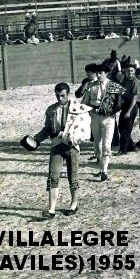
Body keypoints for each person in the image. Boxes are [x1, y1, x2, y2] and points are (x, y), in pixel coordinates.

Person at [28, 83, 92, 219]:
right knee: (53, 176)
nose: (60, 98)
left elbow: (85, 130)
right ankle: (51, 209)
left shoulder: (78, 109)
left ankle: (74, 203)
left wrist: (75, 138)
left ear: (68, 94)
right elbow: (47, 129)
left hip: (72, 146)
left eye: (62, 95)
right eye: (57, 96)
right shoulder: (51, 110)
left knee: (73, 177)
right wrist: (36, 140)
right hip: (56, 145)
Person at [81, 64, 126, 181]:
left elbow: (120, 102)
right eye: (97, 73)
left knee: (106, 144)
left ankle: (104, 171)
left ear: (106, 73)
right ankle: (102, 168)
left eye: (101, 73)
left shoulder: (113, 86)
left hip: (108, 118)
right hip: (95, 117)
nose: (99, 75)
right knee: (97, 143)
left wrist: (112, 111)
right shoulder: (91, 86)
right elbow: (84, 102)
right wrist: (89, 110)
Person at [117, 62, 140, 155]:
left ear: (134, 71)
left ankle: (123, 150)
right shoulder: (124, 80)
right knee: (120, 127)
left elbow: (134, 99)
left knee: (126, 129)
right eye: (127, 71)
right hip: (125, 105)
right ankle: (132, 146)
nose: (129, 73)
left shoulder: (136, 82)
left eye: (131, 71)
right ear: (124, 72)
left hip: (132, 107)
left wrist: (128, 112)